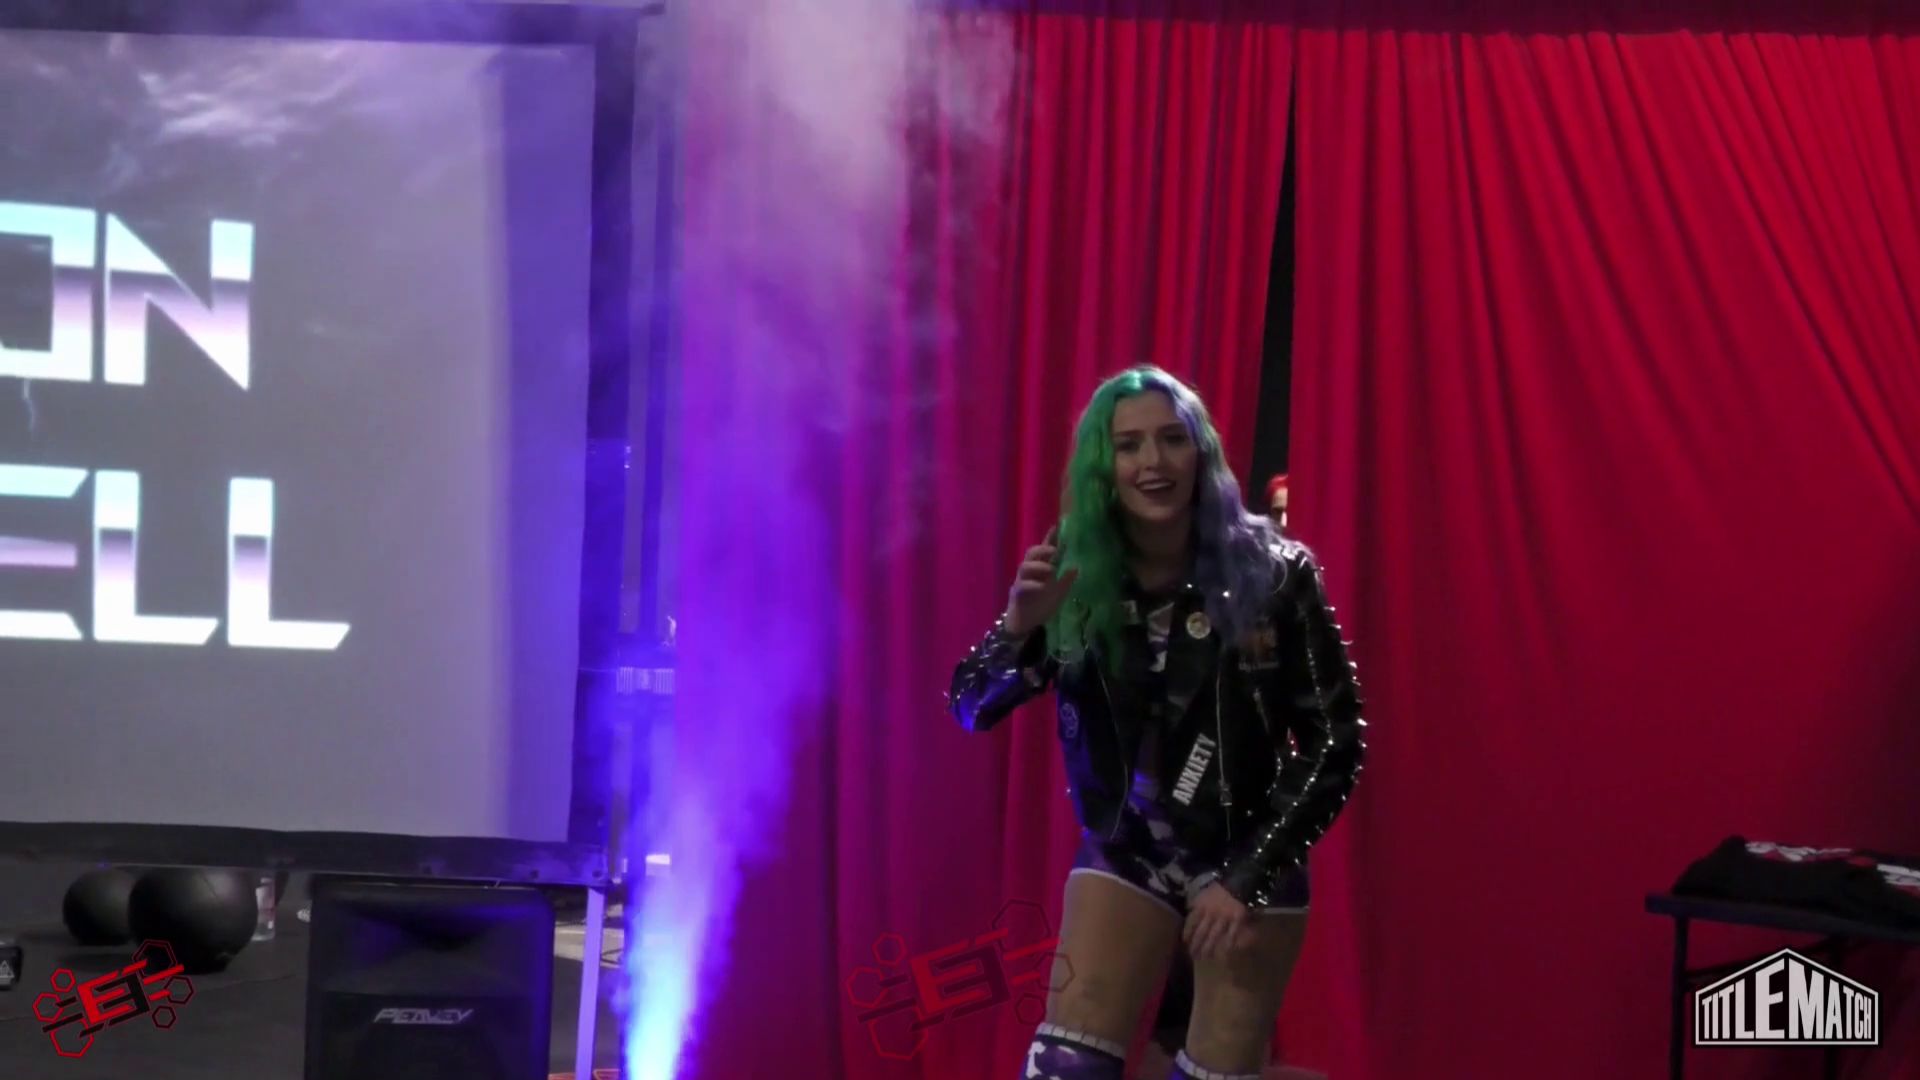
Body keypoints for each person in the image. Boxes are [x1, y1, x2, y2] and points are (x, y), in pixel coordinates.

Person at [947, 367, 1365, 1080]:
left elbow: (1335, 741)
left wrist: (1248, 877)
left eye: (1172, 439)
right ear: (1102, 465)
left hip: (1246, 850)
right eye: (1129, 445)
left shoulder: (1276, 573)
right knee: (1065, 1067)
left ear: (1201, 451)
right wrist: (1016, 632)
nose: (1153, 462)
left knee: (1216, 1072)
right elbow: (970, 707)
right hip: (1130, 845)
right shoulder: (1076, 572)